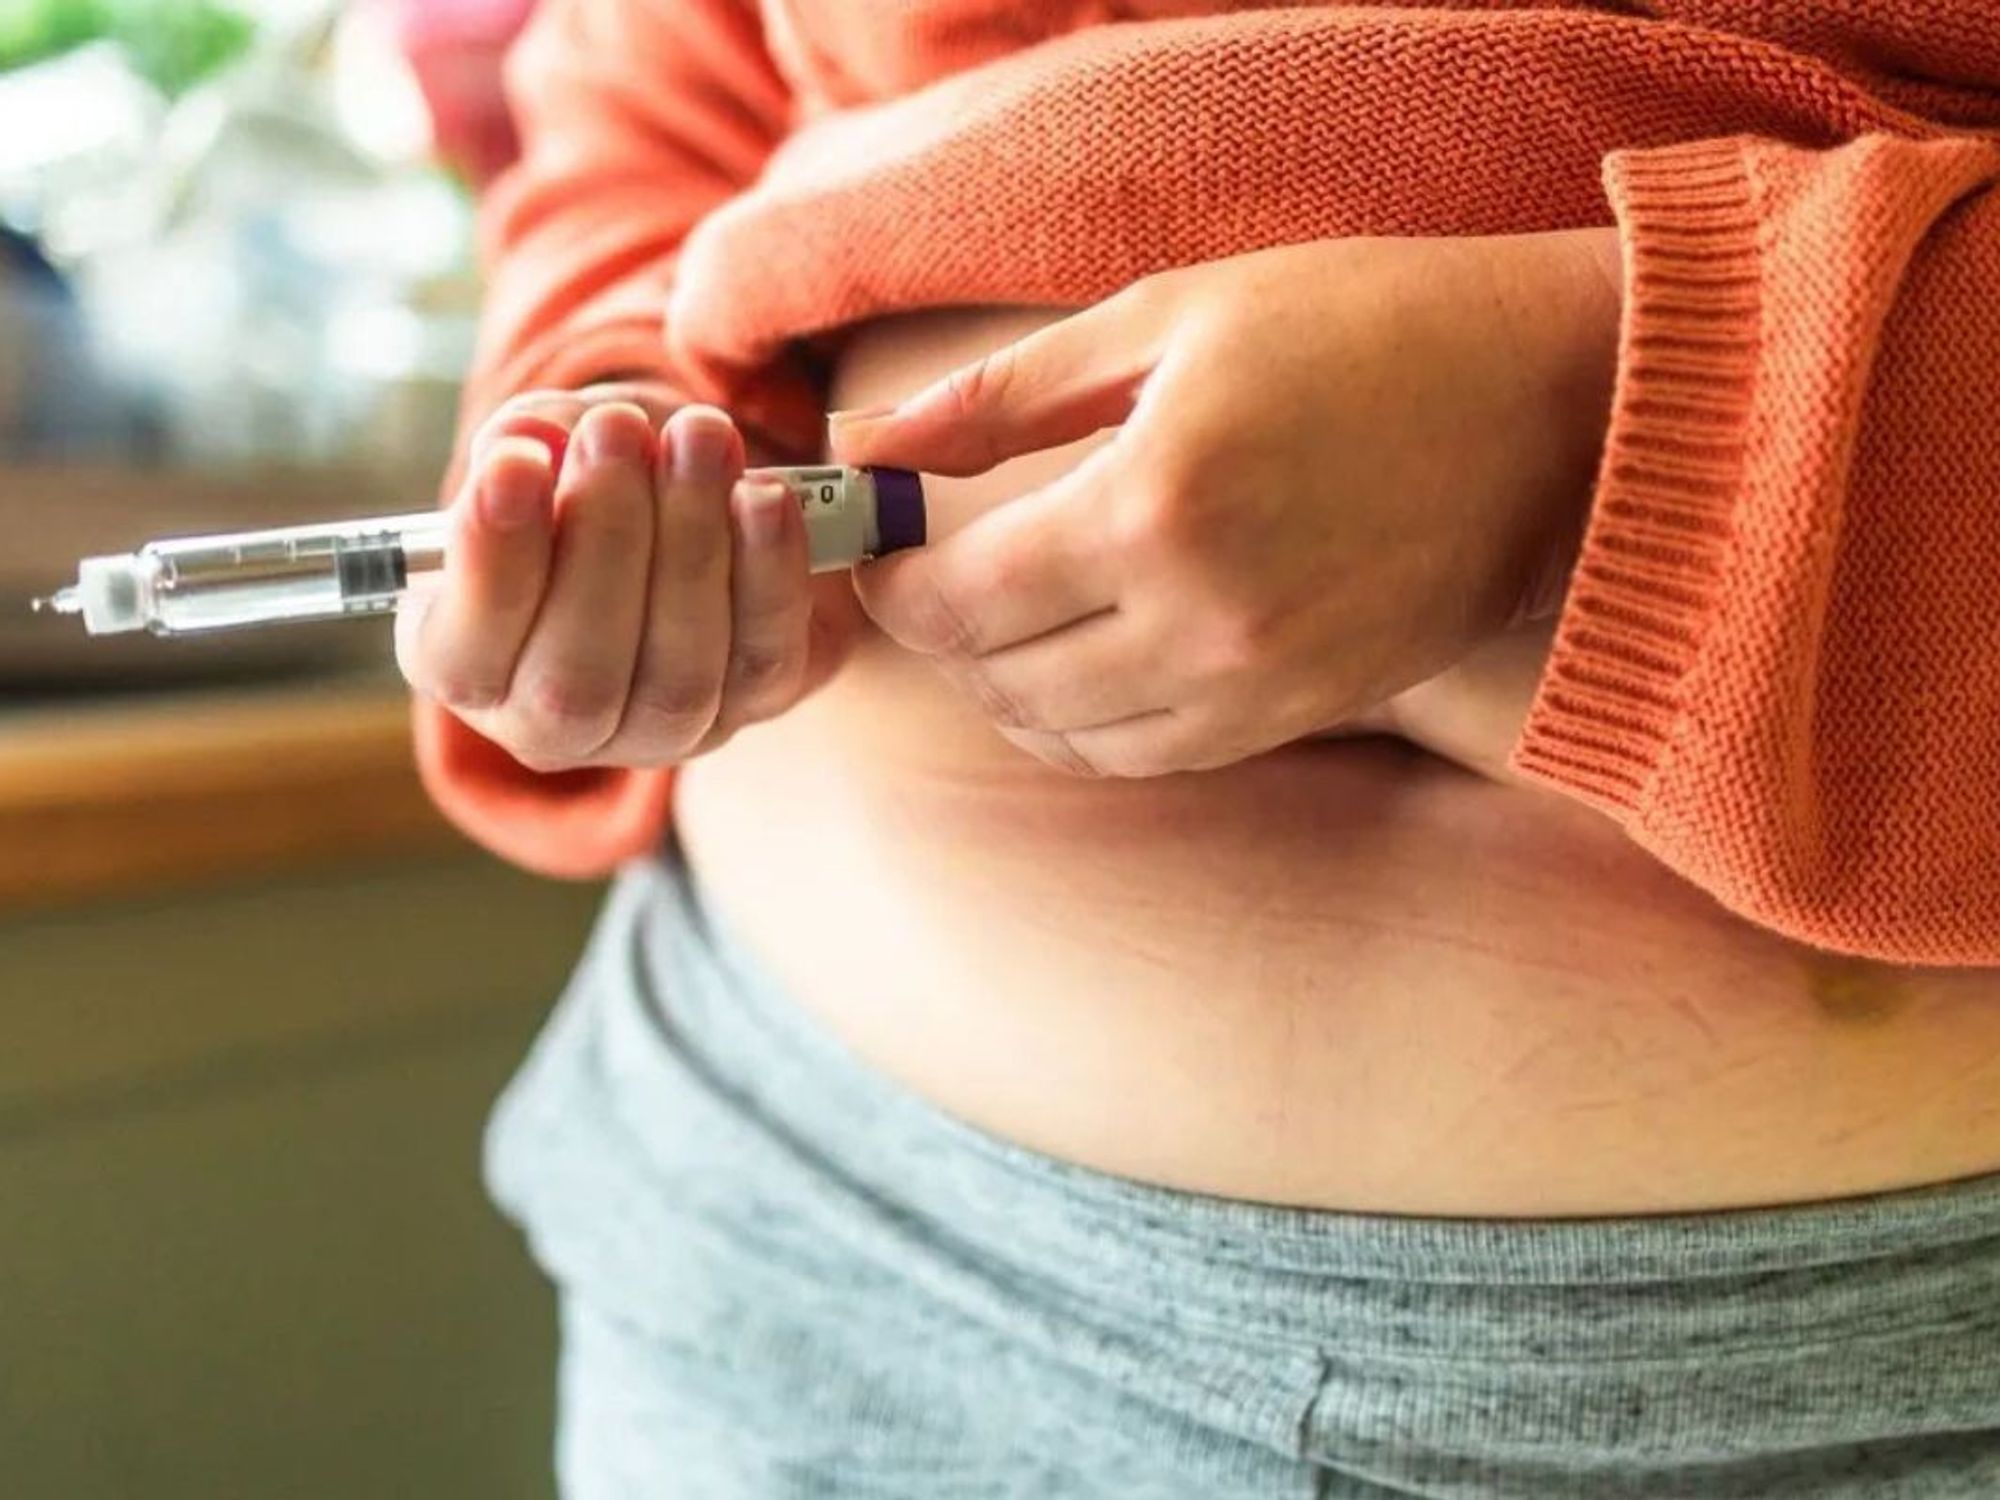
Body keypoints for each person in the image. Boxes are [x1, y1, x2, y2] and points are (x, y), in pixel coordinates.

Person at [395, 3, 2000, 1494]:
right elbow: (660, 98)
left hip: (1835, 1385)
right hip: (795, 1253)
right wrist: (618, 422)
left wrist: (1586, 421)